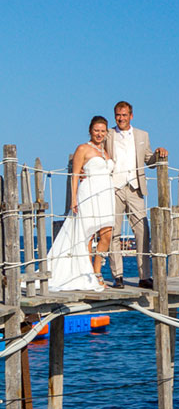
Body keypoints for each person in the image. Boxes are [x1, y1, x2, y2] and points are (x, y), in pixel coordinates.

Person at [46, 116, 115, 291]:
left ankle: (97, 271)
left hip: (106, 196)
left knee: (107, 234)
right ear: (90, 131)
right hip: (88, 194)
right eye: (96, 130)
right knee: (87, 235)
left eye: (102, 131)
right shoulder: (83, 148)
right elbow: (75, 175)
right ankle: (87, 275)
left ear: (106, 132)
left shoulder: (106, 151)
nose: (99, 134)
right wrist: (74, 199)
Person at [104, 101, 168, 289]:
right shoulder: (108, 134)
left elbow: (149, 161)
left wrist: (159, 154)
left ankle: (144, 276)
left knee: (142, 231)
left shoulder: (142, 135)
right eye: (118, 115)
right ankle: (118, 277)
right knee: (113, 232)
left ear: (131, 115)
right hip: (114, 188)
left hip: (135, 188)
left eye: (124, 115)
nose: (121, 118)